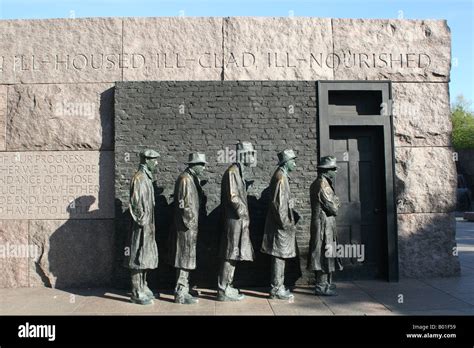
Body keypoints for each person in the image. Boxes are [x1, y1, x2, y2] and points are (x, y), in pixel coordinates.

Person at [217, 141, 256, 301]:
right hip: (234, 221)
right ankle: (222, 289)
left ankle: (228, 285)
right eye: (251, 153)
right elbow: (233, 197)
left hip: (238, 221)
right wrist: (244, 212)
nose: (253, 157)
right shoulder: (232, 172)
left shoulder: (238, 172)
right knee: (230, 253)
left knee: (234, 253)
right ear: (243, 154)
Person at [169, 153, 207, 304]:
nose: (203, 168)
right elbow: (183, 205)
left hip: (189, 227)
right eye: (201, 164)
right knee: (184, 258)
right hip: (186, 228)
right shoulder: (185, 179)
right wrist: (190, 223)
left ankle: (185, 287)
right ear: (194, 165)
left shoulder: (191, 179)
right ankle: (180, 292)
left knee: (188, 258)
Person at [123, 149, 160, 305]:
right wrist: (143, 222)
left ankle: (143, 286)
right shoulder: (139, 178)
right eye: (154, 160)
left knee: (145, 256)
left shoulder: (146, 178)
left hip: (148, 226)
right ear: (146, 160)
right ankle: (137, 290)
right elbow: (136, 204)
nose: (156, 163)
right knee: (138, 255)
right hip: (141, 226)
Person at [261, 149, 298, 300]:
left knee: (280, 256)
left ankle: (278, 286)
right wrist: (287, 224)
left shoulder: (282, 176)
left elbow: (284, 202)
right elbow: (279, 205)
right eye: (293, 161)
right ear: (286, 163)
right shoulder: (281, 178)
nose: (295, 164)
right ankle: (276, 289)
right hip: (280, 226)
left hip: (280, 224)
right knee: (279, 256)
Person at [308, 155, 342, 296]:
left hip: (326, 223)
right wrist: (336, 202)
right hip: (323, 224)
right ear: (326, 170)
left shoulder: (324, 183)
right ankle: (321, 285)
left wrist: (335, 201)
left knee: (327, 251)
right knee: (323, 251)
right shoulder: (322, 184)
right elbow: (333, 208)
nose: (335, 171)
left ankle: (326, 283)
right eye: (333, 169)